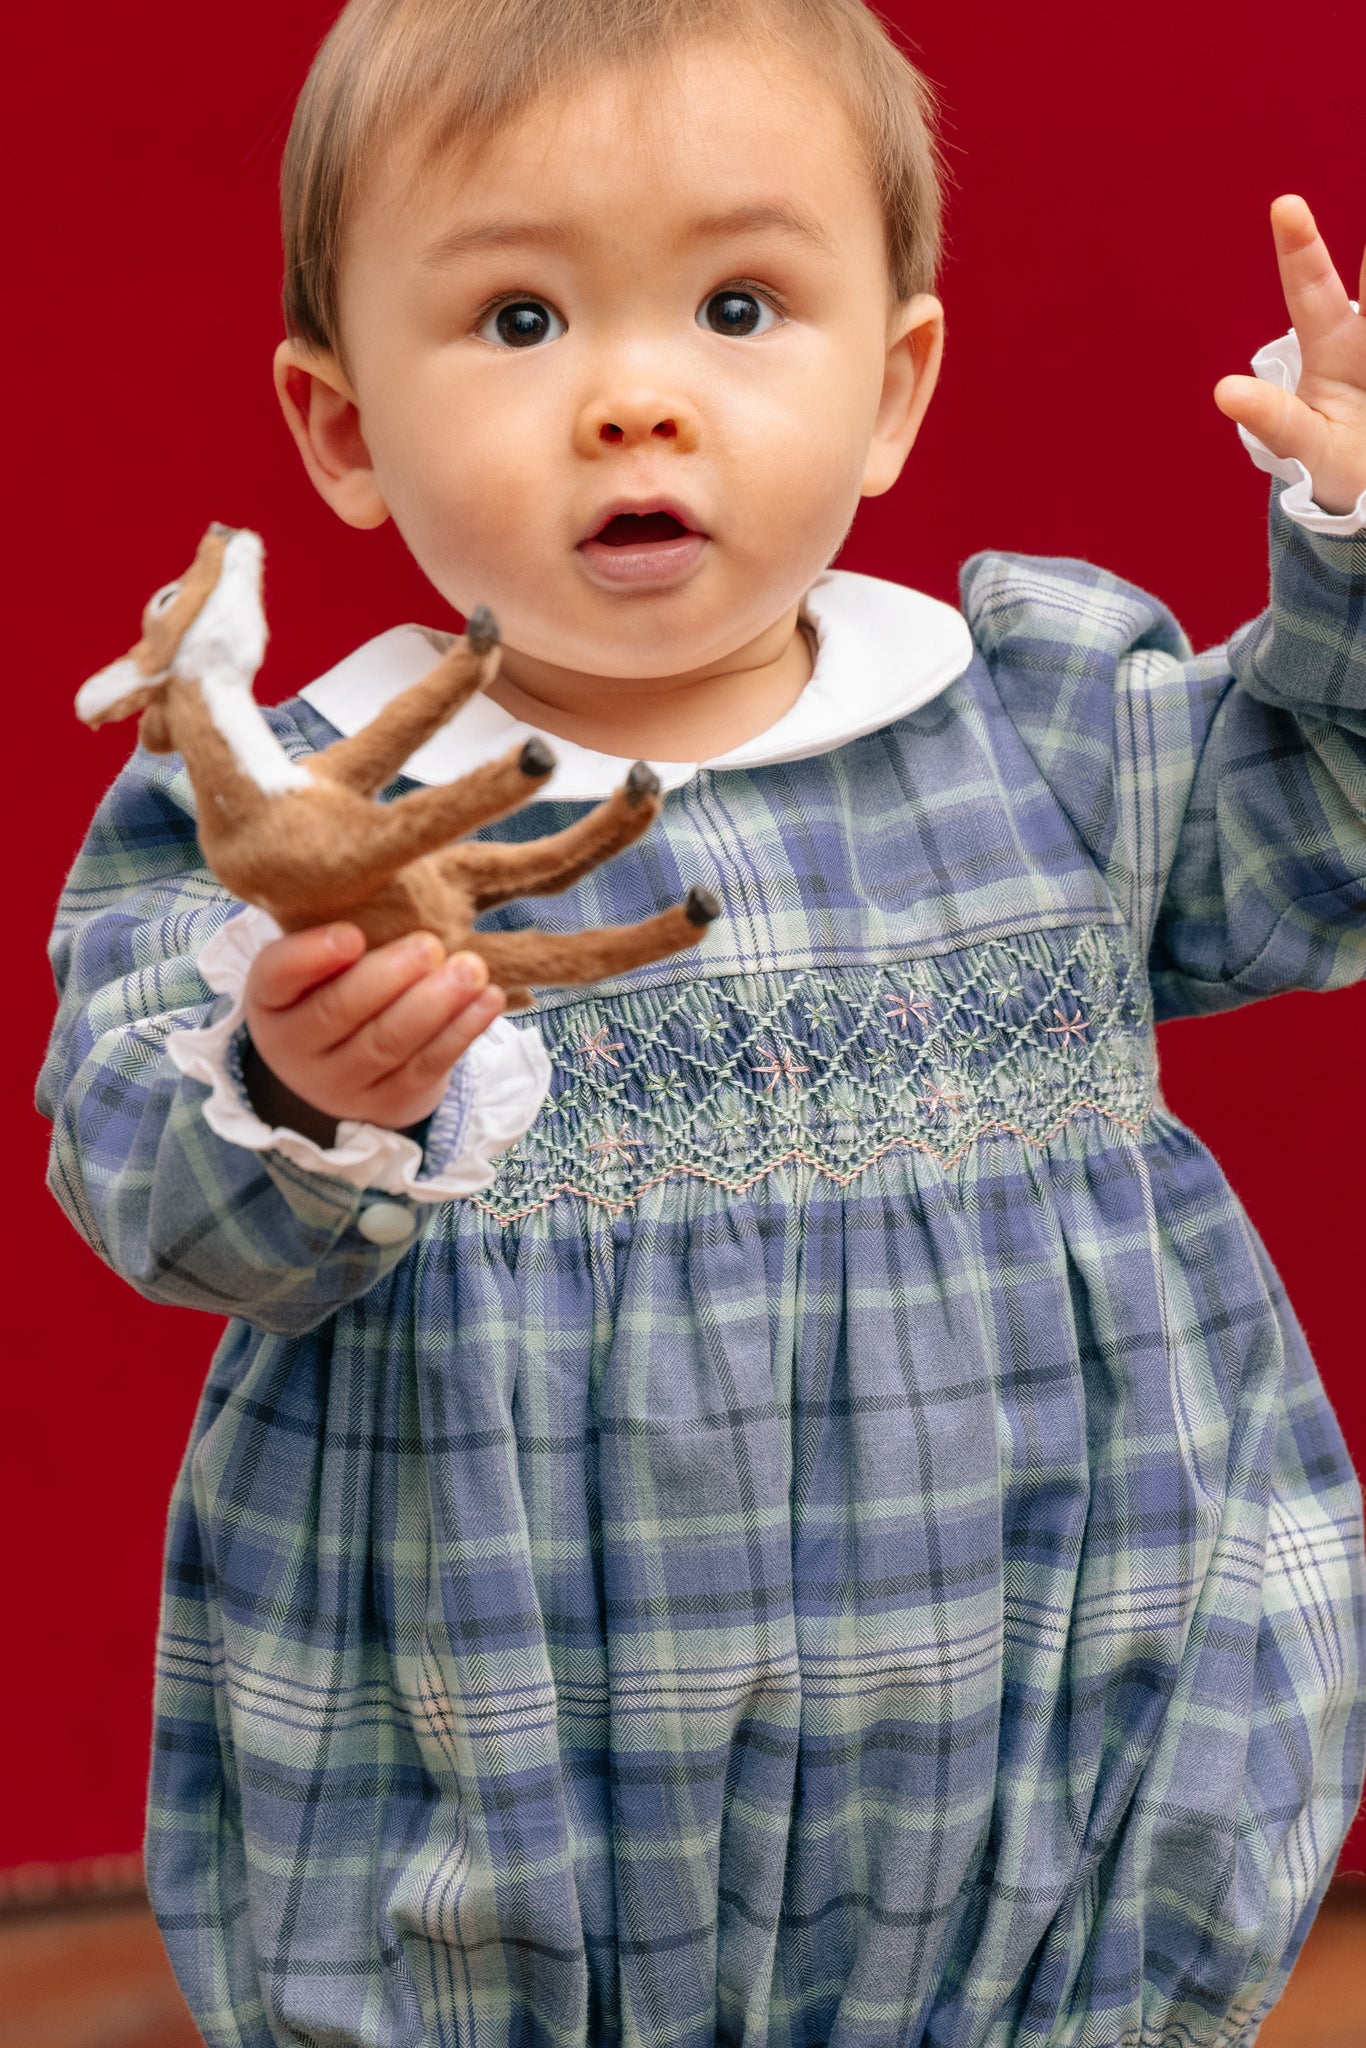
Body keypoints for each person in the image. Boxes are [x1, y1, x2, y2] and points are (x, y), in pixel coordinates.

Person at [38, 0, 1366, 2041]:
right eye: (515, 323)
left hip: (1034, 1777)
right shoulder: (300, 830)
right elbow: (142, 1166)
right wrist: (295, 1079)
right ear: (337, 428)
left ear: (893, 385)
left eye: (736, 304)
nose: (634, 400)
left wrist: (1352, 556)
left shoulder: (1036, 725)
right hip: (507, 1777)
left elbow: (1318, 831)